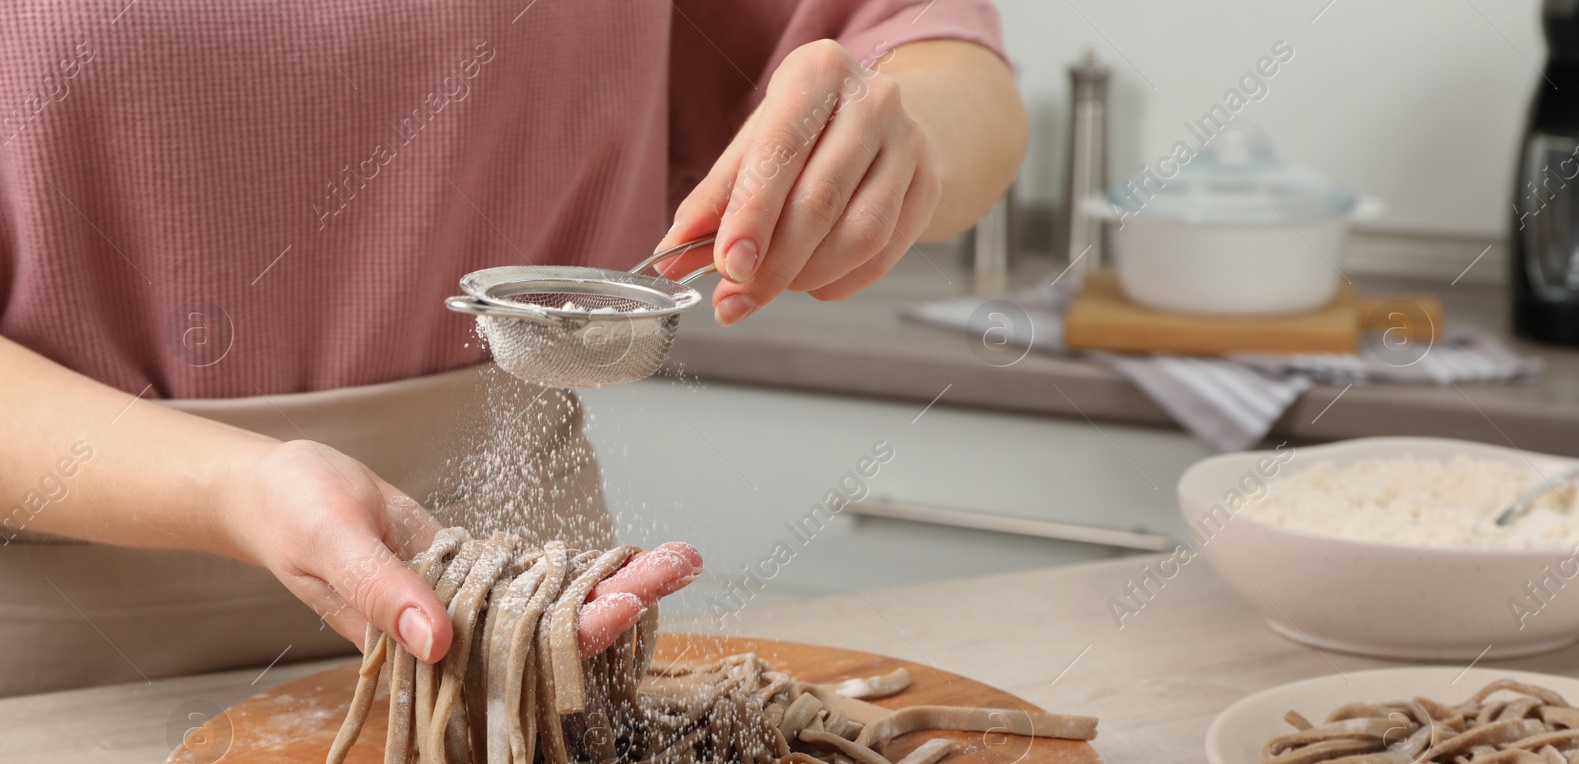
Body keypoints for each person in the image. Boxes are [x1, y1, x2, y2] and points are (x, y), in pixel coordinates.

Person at [0, 0, 1026, 697]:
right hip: (56, 686)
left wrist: (895, 143)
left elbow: (929, 50)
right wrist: (236, 486)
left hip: (530, 630)